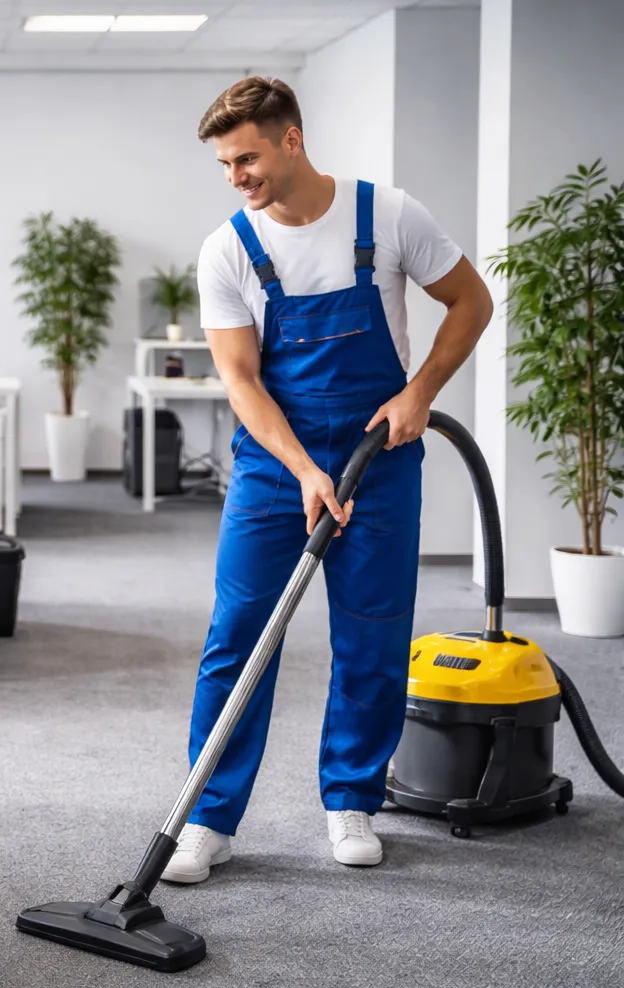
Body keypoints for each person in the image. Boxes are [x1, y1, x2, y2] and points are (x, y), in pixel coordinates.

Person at [164, 77, 492, 884]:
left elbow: (471, 301)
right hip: (276, 468)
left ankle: (351, 800)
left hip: (380, 460)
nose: (236, 175)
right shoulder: (229, 248)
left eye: (245, 157)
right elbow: (242, 380)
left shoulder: (388, 216)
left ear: (292, 140)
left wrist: (420, 393)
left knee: (372, 636)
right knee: (238, 636)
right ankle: (208, 814)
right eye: (224, 164)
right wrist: (305, 468)